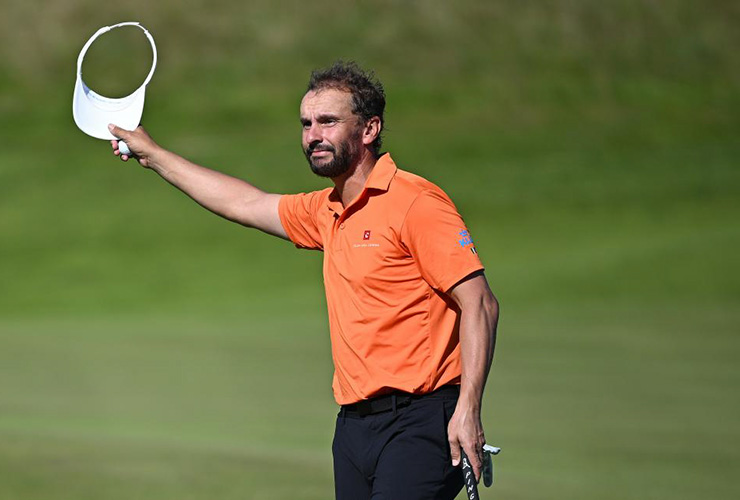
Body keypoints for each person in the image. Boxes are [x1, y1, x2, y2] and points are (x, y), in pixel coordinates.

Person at [108, 61, 499, 500]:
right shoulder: (327, 209)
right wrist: (154, 155)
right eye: (306, 123)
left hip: (421, 421)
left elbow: (480, 303)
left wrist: (468, 409)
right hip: (353, 427)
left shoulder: (415, 202)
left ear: (369, 129)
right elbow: (245, 203)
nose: (313, 135)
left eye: (328, 122)